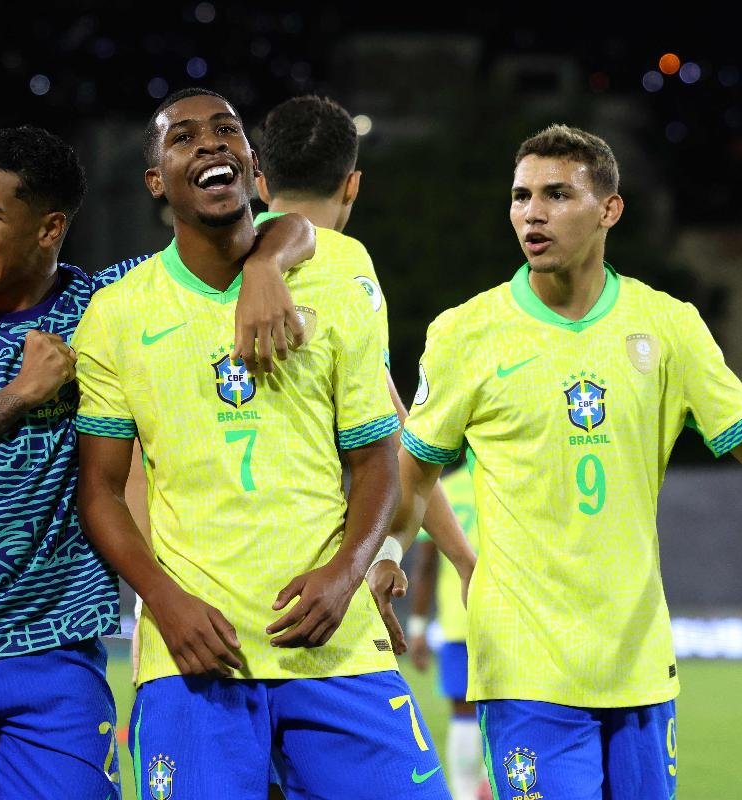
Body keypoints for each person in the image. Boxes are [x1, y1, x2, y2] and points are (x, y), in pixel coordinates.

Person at [0, 124, 313, 799]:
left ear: (48, 228)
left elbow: (282, 228)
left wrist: (267, 267)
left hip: (55, 651)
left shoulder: (107, 305)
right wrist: (18, 395)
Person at [74, 87, 459, 800]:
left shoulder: (341, 275)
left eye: (227, 131)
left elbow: (375, 457)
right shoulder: (118, 313)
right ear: (156, 179)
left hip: (334, 645)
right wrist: (162, 600)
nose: (212, 142)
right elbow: (98, 489)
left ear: (255, 169)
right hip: (196, 653)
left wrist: (346, 574)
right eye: (184, 137)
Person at [373, 123, 742, 800]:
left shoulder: (668, 325)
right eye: (521, 196)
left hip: (639, 659)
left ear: (608, 210)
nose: (532, 212)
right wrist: (387, 551)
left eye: (557, 195)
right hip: (525, 663)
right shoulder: (466, 332)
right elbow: (416, 471)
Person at [253, 93, 474, 656]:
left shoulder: (207, 258)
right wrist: (460, 558)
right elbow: (393, 426)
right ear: (352, 185)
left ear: (259, 183)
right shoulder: (346, 264)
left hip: (205, 580)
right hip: (318, 581)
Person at [404, 453, 492, 800]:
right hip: (510, 619)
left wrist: (418, 627)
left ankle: (466, 794)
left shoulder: (443, 491)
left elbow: (425, 566)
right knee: (513, 706)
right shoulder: (507, 482)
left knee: (464, 713)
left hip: (458, 619)